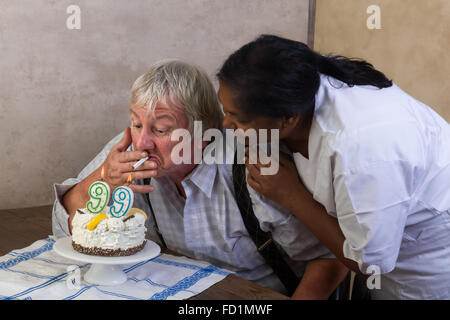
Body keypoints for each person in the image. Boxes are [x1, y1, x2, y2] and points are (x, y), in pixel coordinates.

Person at [52, 59, 348, 299]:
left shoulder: (253, 168)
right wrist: (103, 178)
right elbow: (64, 229)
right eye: (136, 122)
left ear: (204, 133)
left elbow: (329, 258)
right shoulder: (128, 150)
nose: (142, 142)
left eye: (161, 130)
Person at [217, 34, 450, 300]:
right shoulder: (295, 83)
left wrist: (290, 194)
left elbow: (368, 263)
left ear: (287, 120)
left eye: (237, 118)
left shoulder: (363, 151)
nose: (225, 124)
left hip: (427, 265)